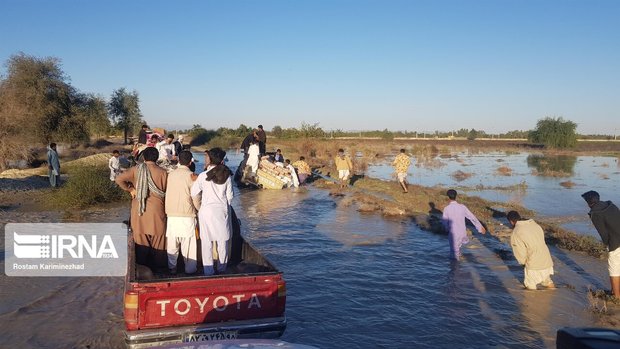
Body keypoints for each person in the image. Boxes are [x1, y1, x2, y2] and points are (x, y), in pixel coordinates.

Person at [116, 147, 168, 271]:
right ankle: (159, 270)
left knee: (141, 239)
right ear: (157, 158)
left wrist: (131, 189)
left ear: (143, 157)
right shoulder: (163, 172)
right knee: (159, 240)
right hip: (157, 210)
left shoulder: (135, 170)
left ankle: (142, 269)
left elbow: (118, 179)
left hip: (139, 210)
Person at [191, 148, 234, 276]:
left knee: (206, 243)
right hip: (221, 211)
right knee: (222, 242)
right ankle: (222, 269)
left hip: (206, 212)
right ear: (221, 160)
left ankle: (208, 271)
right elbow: (230, 197)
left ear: (210, 159)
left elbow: (193, 192)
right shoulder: (227, 175)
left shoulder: (203, 176)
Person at [165, 151, 200, 274]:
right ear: (190, 162)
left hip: (171, 215)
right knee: (189, 247)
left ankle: (172, 268)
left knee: (172, 245)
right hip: (187, 215)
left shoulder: (170, 175)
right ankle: (190, 270)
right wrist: (199, 209)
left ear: (178, 160)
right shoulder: (193, 176)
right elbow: (196, 198)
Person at [582, 190, 620, 297]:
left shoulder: (595, 213)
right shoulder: (610, 204)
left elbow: (603, 233)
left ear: (588, 202)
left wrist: (608, 245)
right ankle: (614, 291)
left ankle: (616, 296)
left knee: (614, 269)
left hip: (616, 243)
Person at [507, 210, 555, 290]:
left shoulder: (516, 232)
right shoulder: (535, 224)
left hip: (534, 265)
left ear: (511, 222)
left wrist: (523, 263)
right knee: (548, 283)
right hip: (547, 261)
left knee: (530, 291)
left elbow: (520, 253)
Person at [442, 189, 486, 260]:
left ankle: (455, 269)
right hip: (462, 233)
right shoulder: (462, 207)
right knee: (458, 250)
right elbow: (472, 217)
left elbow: (444, 222)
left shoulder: (447, 209)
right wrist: (480, 227)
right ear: (456, 196)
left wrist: (447, 229)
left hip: (454, 235)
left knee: (454, 256)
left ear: (448, 197)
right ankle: (460, 264)